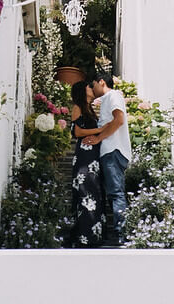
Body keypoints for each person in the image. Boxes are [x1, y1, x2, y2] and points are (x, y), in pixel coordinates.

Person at [89, 71, 132, 245]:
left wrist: (99, 138)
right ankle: (118, 235)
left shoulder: (113, 95)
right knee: (112, 194)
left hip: (113, 150)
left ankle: (122, 237)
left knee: (116, 194)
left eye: (93, 85)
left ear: (101, 82)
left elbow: (119, 119)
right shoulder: (108, 99)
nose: (92, 88)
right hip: (110, 151)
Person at [70, 80, 105, 247]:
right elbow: (77, 132)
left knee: (94, 193)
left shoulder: (89, 108)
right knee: (86, 194)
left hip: (93, 155)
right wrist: (100, 130)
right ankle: (84, 237)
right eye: (89, 87)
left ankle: (93, 235)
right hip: (84, 155)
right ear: (82, 91)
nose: (92, 88)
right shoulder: (78, 107)